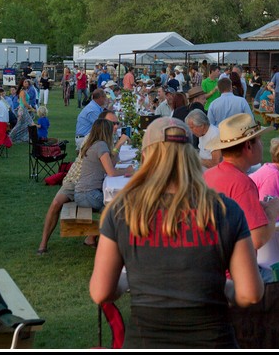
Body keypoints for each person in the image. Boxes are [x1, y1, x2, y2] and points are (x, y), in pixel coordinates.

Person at [89, 116, 264, 348]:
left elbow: (101, 292)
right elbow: (250, 293)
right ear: (191, 157)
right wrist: (215, 283)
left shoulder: (122, 211)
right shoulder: (225, 210)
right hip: (212, 340)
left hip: (146, 341)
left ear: (145, 158)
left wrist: (133, 278)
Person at [37, 111, 127, 255]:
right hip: (75, 179)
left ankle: (91, 238)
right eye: (112, 123)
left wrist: (118, 145)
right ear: (102, 123)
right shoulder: (91, 139)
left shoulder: (107, 138)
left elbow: (109, 160)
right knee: (56, 204)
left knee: (105, 201)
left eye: (117, 123)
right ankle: (43, 244)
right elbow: (108, 163)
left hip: (88, 183)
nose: (115, 126)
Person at [204, 114, 279, 252]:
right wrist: (274, 209)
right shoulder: (241, 183)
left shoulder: (208, 175)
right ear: (249, 146)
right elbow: (256, 239)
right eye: (259, 140)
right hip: (234, 270)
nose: (262, 144)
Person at [74, 119, 133, 245]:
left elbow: (111, 163)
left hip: (83, 192)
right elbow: (111, 172)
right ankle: (115, 243)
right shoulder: (101, 145)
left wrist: (119, 145)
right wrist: (128, 172)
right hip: (88, 194)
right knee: (117, 207)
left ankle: (91, 238)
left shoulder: (95, 144)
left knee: (114, 205)